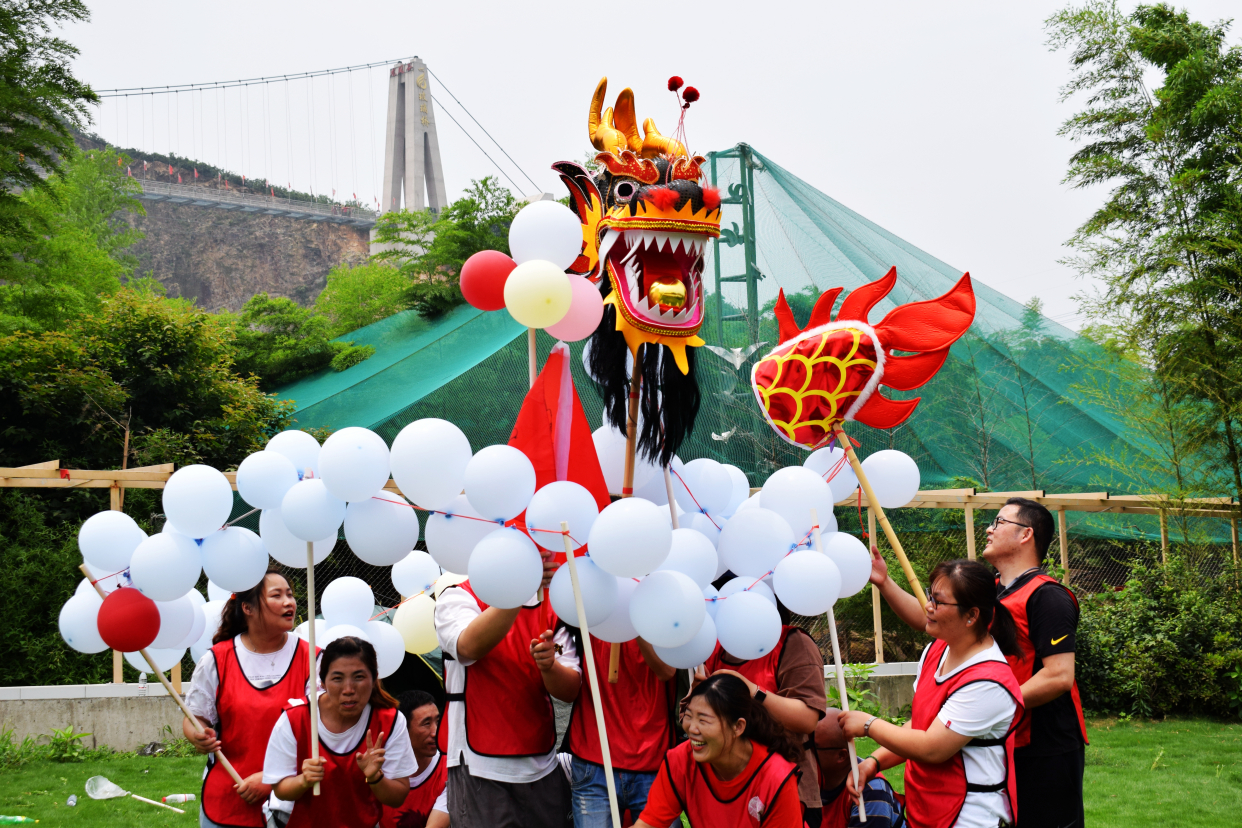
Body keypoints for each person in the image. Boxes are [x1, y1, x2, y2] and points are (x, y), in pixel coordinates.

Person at [869, 498, 1088, 828]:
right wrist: (885, 583)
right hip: (997, 734)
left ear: (1026, 534)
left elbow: (1059, 676)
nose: (989, 528)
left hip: (1044, 745)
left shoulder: (1048, 597)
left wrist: (991, 703)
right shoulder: (993, 590)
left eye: (999, 522)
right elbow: (934, 621)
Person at [840, 560, 1024, 828]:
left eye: (938, 602)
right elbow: (920, 724)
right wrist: (874, 761)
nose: (927, 606)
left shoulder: (987, 682)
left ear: (971, 615)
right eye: (930, 596)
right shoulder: (936, 651)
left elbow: (932, 748)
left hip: (968, 818)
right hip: (924, 812)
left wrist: (869, 725)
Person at [434, 545, 580, 827]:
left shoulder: (554, 604)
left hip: (541, 766)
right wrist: (518, 589)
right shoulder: (458, 595)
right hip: (480, 768)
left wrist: (549, 667)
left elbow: (570, 690)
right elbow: (468, 646)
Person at [185, 567, 319, 828]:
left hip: (296, 800)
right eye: (276, 595)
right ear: (248, 608)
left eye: (290, 595)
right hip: (228, 799)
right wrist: (198, 735)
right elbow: (195, 717)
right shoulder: (216, 659)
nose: (288, 602)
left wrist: (271, 780)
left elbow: (327, 729)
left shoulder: (314, 658)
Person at [263, 636, 417, 827]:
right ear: (323, 682)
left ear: (375, 676)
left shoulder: (390, 721)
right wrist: (303, 780)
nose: (348, 689)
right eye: (337, 678)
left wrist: (375, 777)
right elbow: (280, 789)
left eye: (359, 677)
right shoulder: (295, 718)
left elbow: (398, 796)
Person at [697, 604, 828, 823]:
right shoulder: (712, 646)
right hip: (724, 789)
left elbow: (807, 719)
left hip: (785, 787)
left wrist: (752, 691)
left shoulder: (792, 642)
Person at [633, 674, 805, 828]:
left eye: (703, 720)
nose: (692, 728)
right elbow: (648, 824)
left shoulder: (776, 776)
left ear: (738, 727)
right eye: (689, 715)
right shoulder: (679, 760)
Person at [562, 634, 675, 827]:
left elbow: (666, 670)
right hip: (594, 762)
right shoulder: (586, 611)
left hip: (654, 763)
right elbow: (560, 648)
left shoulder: (662, 615)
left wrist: (634, 621)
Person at [813, 711, 903, 828]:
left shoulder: (870, 792)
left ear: (841, 756)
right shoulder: (803, 779)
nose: (803, 753)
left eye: (813, 747)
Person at [381, 690, 449, 828]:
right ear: (402, 729)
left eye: (437, 721)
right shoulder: (377, 768)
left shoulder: (449, 770)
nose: (435, 732)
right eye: (426, 723)